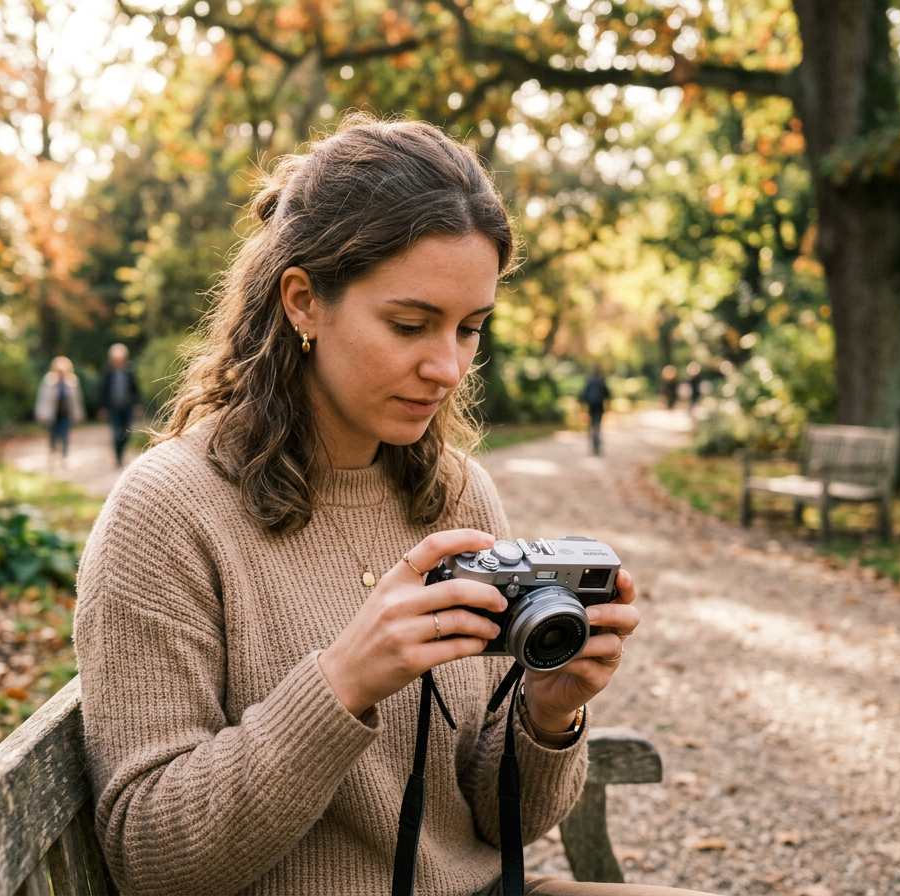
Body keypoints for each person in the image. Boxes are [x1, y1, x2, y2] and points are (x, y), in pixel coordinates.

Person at [74, 116, 717, 896]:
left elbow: (498, 823)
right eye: (410, 324)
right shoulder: (169, 512)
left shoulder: (457, 493)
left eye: (470, 329)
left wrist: (548, 714)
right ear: (304, 301)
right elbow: (151, 857)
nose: (447, 367)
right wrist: (344, 681)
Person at [97, 343, 142, 467]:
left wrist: (137, 404)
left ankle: (122, 452)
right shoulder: (107, 372)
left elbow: (135, 389)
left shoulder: (130, 370)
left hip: (127, 407)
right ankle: (118, 456)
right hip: (113, 408)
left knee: (127, 433)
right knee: (116, 432)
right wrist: (102, 408)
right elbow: (102, 391)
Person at [34, 356, 83, 461]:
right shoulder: (49, 381)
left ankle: (64, 456)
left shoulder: (72, 381)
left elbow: (76, 400)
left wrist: (78, 414)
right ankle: (53, 453)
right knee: (53, 435)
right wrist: (40, 413)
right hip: (53, 414)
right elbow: (42, 398)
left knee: (65, 435)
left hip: (65, 414)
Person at [579, 364, 611, 456]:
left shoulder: (589, 381)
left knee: (592, 425)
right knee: (597, 425)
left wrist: (582, 408)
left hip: (591, 406)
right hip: (599, 406)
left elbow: (584, 396)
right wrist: (608, 407)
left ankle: (594, 444)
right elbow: (607, 395)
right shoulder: (601, 381)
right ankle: (597, 444)